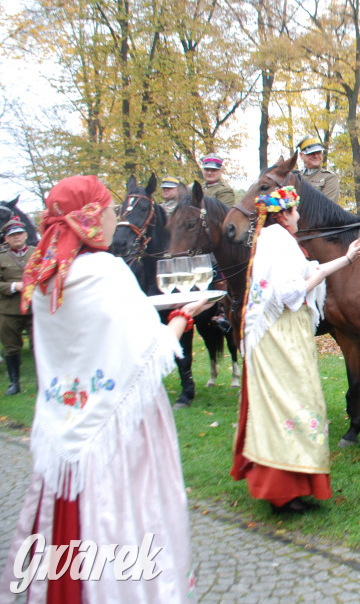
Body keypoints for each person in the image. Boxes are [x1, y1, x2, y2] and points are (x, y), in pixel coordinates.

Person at [1, 175, 211, 601]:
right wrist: (184, 317)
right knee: (126, 516)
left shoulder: (46, 276)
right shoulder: (106, 271)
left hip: (64, 423)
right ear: (91, 217)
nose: (117, 216)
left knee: (67, 522)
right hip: (119, 431)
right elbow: (149, 355)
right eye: (111, 207)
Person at [230, 185, 360, 514]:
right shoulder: (277, 242)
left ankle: (294, 483)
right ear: (281, 215)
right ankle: (282, 490)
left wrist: (347, 258)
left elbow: (310, 272)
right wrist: (319, 275)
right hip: (279, 336)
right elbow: (291, 293)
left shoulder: (278, 241)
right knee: (292, 404)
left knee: (296, 404)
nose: (299, 215)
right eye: (293, 210)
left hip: (284, 333)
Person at [0, 217, 35, 395]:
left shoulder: (38, 254)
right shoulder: (1, 258)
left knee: (39, 345)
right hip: (9, 310)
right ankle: (14, 383)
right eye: (12, 235)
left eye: (19, 233)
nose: (16, 237)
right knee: (11, 347)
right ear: (6, 238)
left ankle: (42, 381)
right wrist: (15, 286)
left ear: (26, 235)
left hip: (35, 309)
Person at [297, 135, 342, 202]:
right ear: (301, 155)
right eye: (311, 153)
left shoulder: (329, 177)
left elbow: (327, 207)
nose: (316, 156)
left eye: (319, 152)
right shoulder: (296, 176)